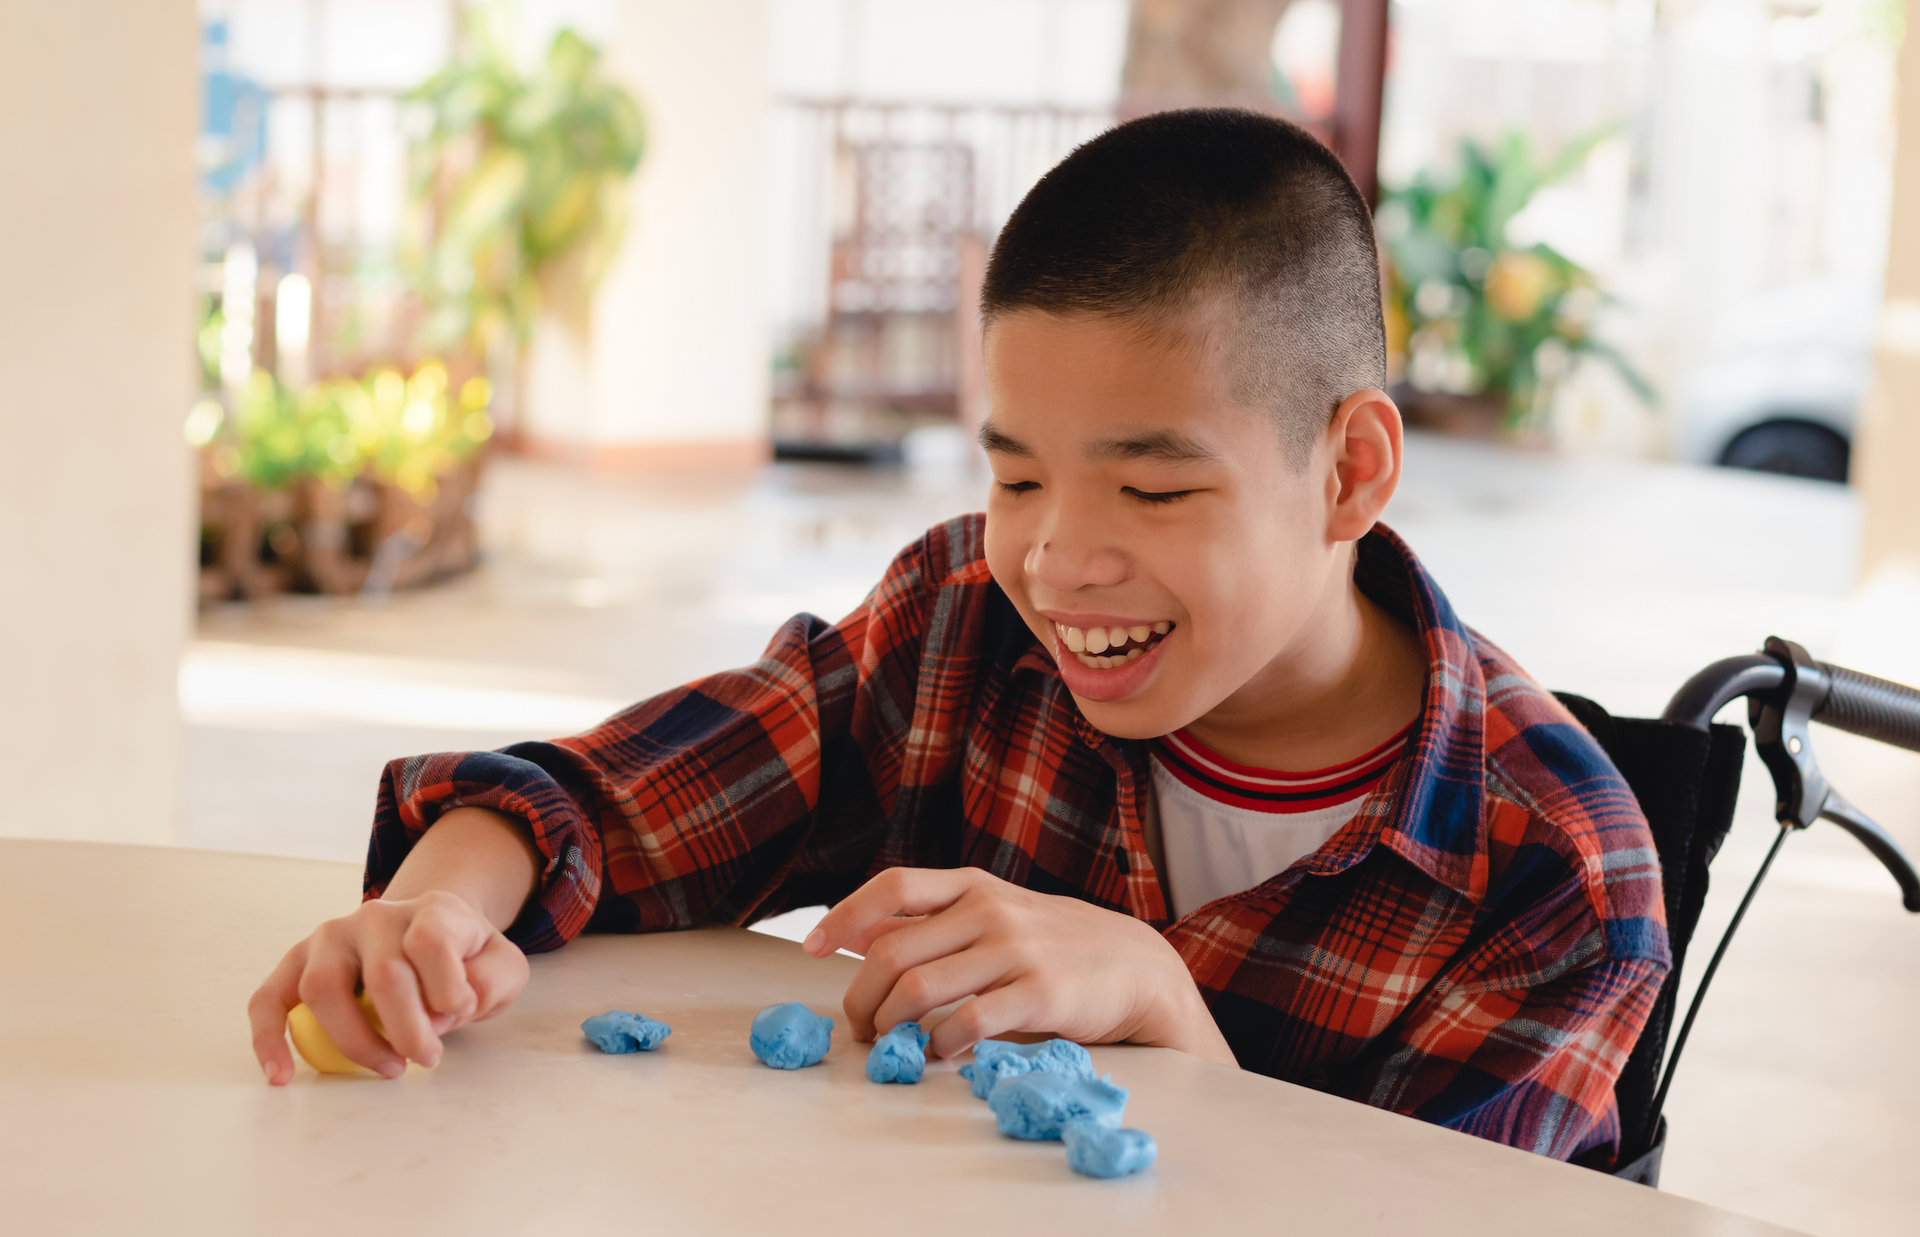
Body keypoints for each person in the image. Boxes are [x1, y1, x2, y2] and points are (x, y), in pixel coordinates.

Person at [248, 109, 1667, 1169]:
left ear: (1350, 471)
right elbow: (607, 804)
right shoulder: (964, 633)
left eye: (1155, 487)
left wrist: (1170, 1020)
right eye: (1017, 476)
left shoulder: (1559, 873)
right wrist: (433, 914)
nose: (1058, 560)